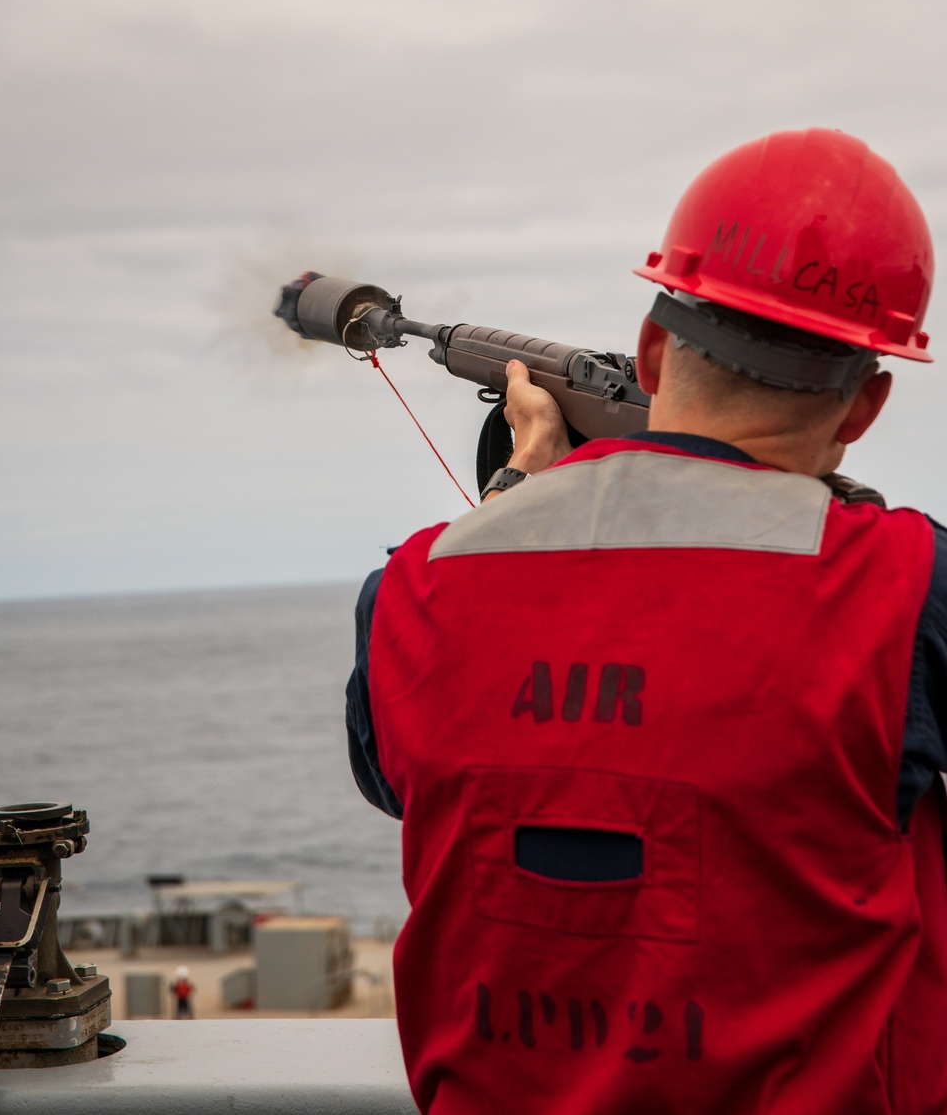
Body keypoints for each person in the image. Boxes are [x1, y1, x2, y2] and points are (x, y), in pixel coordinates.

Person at [346, 128, 947, 1114]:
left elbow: (403, 781)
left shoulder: (414, 588)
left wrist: (512, 493)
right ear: (865, 407)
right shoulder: (905, 586)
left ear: (656, 347)